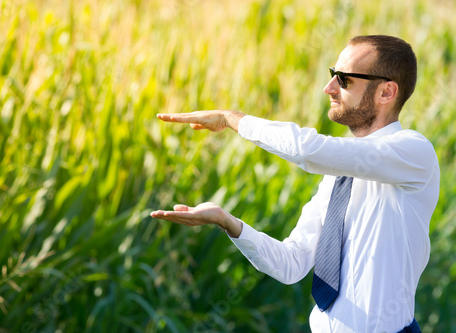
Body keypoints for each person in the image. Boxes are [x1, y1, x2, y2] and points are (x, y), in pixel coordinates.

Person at [150, 35, 439, 332]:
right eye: (331, 75)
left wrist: (233, 119)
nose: (329, 88)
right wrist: (227, 222)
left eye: (343, 79)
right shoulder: (338, 173)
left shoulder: (414, 153)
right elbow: (290, 264)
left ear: (386, 92)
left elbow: (308, 151)